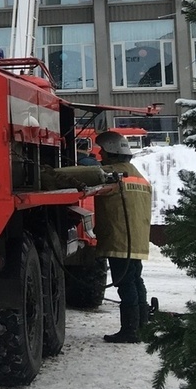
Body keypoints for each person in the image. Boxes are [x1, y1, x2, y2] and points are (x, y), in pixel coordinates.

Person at [43, 130, 152, 343]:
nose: (100, 154)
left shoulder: (113, 174)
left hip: (120, 240)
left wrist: (46, 172)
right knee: (135, 280)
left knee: (125, 284)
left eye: (103, 151)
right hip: (136, 240)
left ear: (112, 153)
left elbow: (81, 174)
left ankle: (130, 331)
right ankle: (141, 327)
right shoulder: (138, 175)